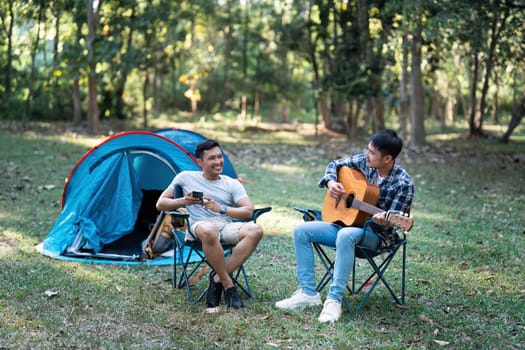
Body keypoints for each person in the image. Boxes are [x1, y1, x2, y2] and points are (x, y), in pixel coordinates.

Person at [275, 129, 415, 323]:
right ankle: (308, 294)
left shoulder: (404, 183)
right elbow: (335, 164)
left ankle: (334, 300)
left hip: (376, 237)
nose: (366, 155)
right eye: (367, 149)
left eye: (372, 152)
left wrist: (384, 219)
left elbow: (395, 222)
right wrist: (331, 182)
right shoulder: (365, 162)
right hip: (345, 225)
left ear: (387, 158)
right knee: (302, 231)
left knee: (346, 235)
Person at [156, 139, 263, 309]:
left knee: (255, 229)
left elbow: (248, 211)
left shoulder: (231, 183)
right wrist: (185, 201)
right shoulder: (185, 177)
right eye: (212, 158)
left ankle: (218, 279)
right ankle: (229, 285)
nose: (218, 161)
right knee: (209, 229)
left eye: (220, 157)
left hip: (226, 224)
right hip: (199, 226)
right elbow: (160, 204)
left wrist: (221, 208)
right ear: (200, 162)